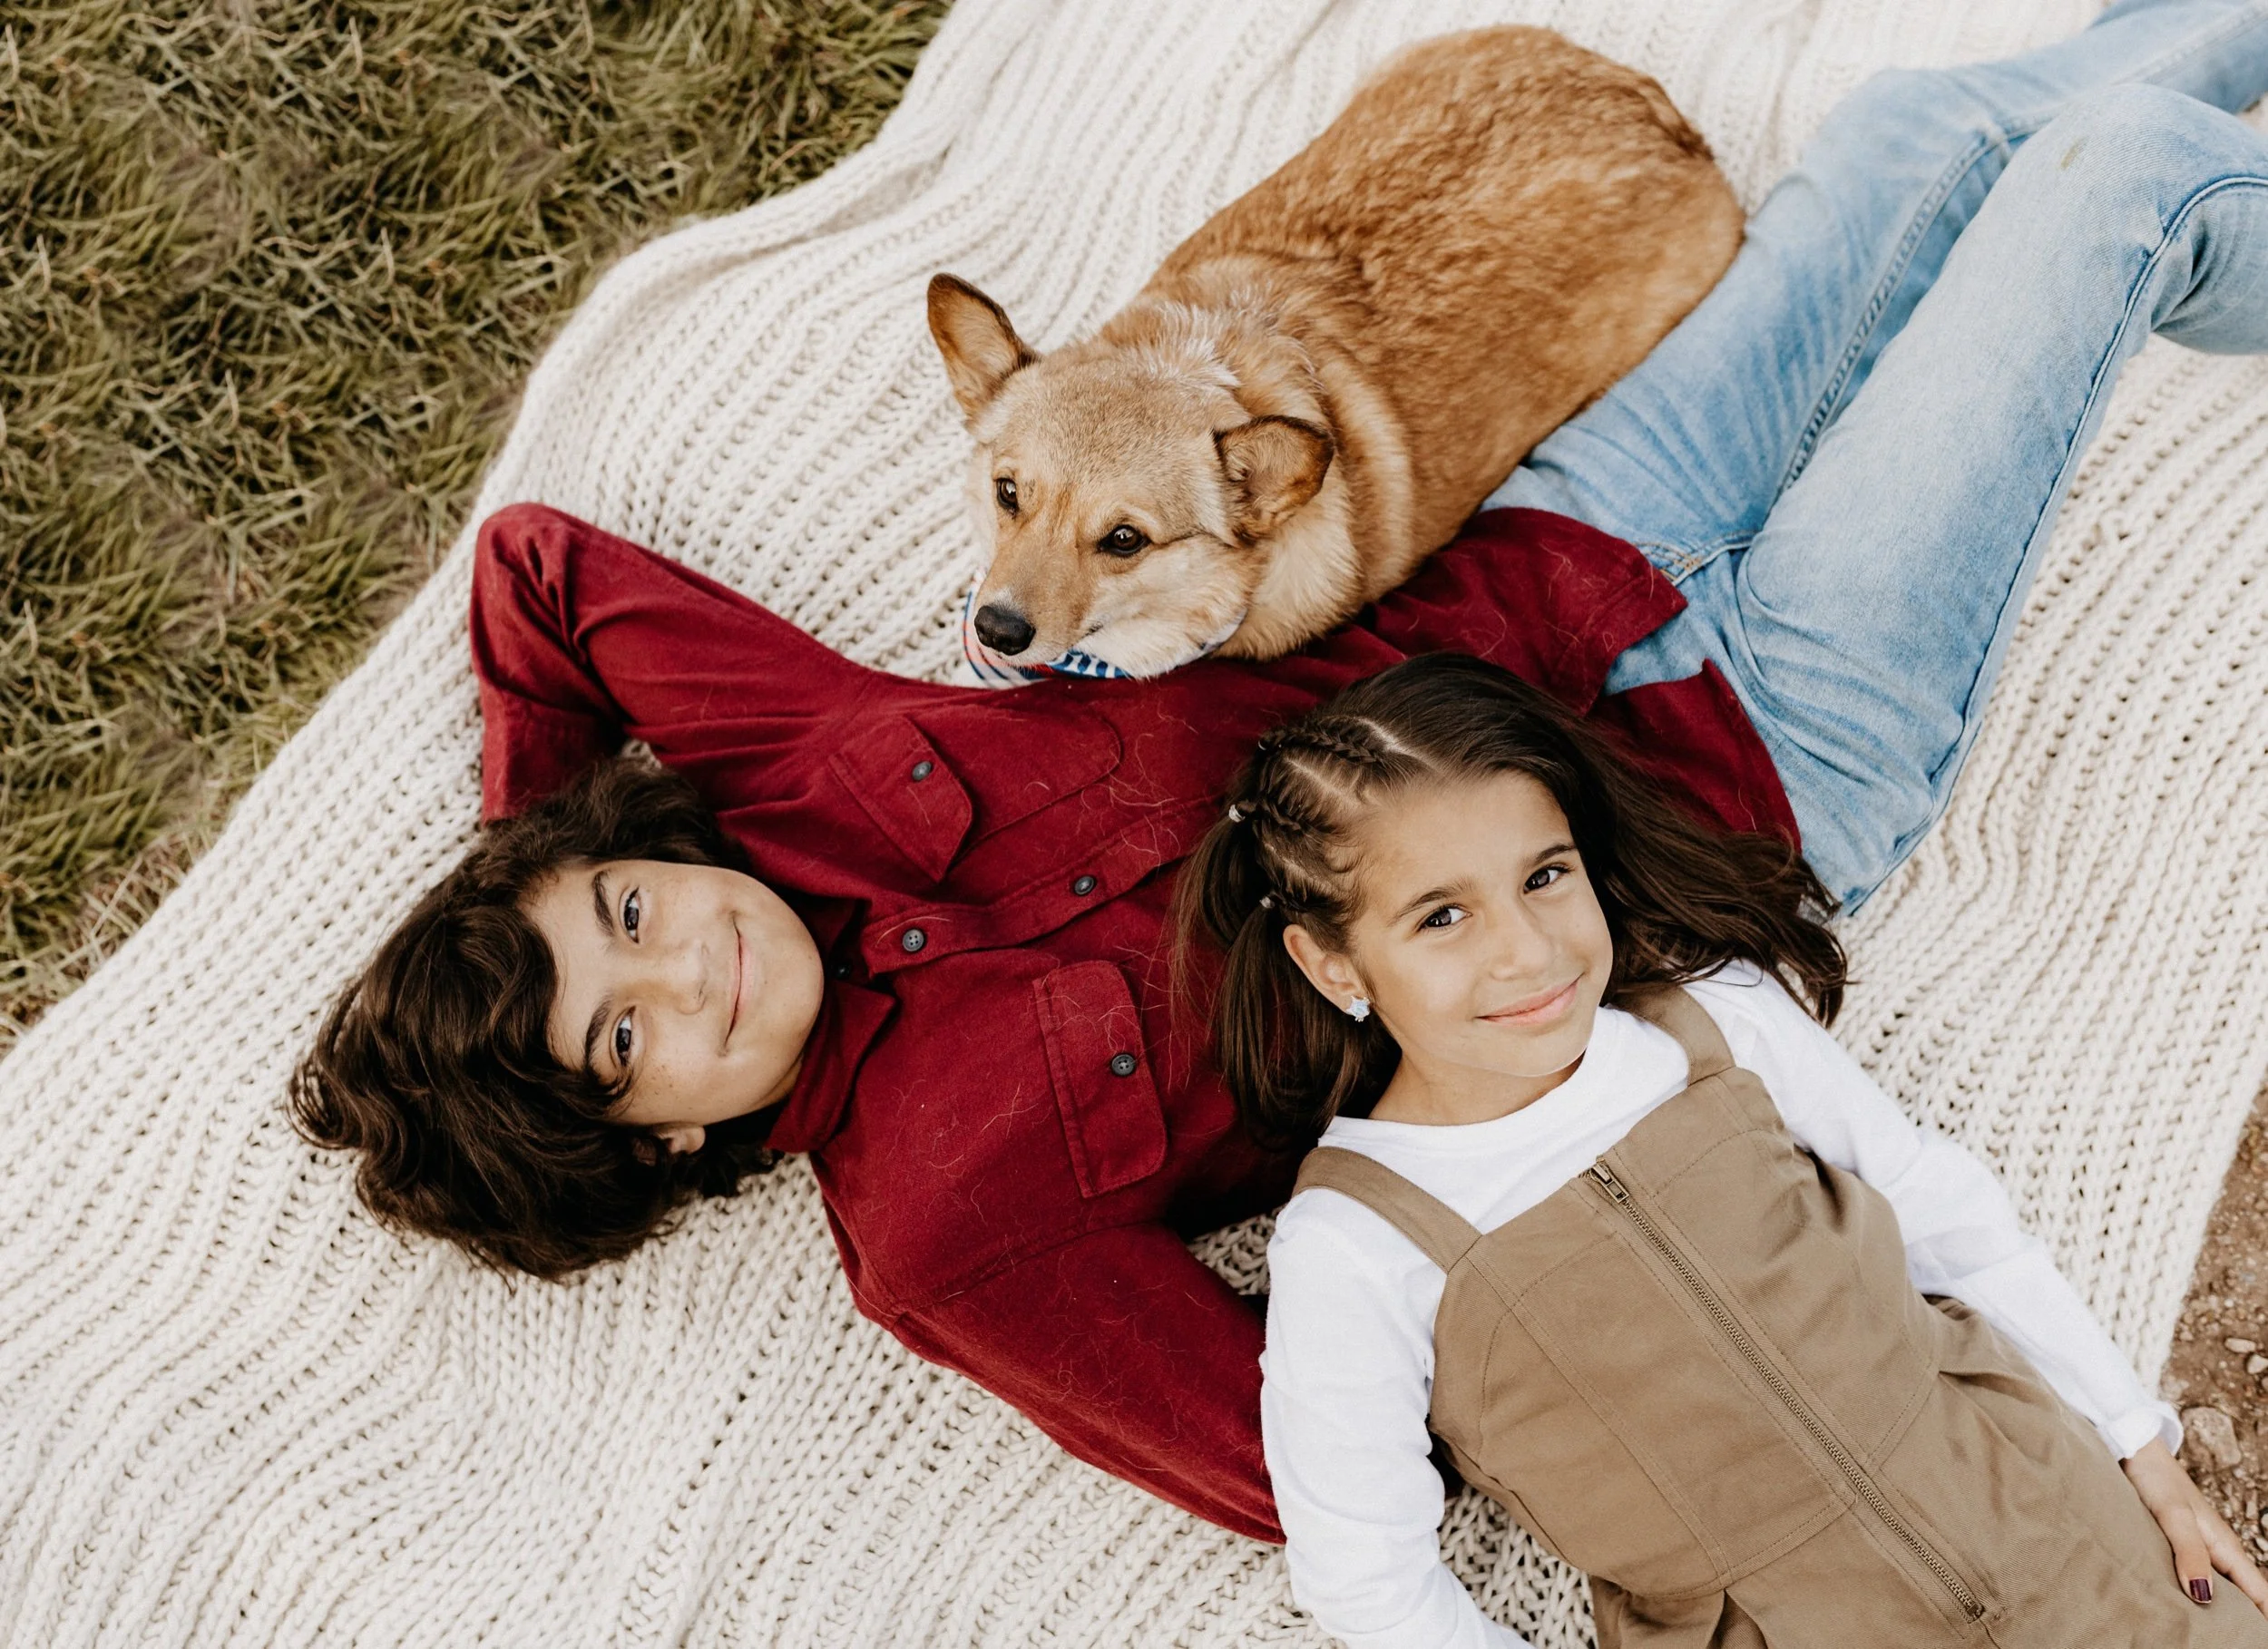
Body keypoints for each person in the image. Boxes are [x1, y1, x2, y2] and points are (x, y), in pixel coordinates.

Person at [288, 0, 2268, 1552]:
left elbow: (535, 572)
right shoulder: (944, 1237)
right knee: (2105, 191)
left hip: (1574, 526)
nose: (690, 960)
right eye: (626, 1037)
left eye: (623, 910)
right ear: (651, 1146)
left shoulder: (779, 767)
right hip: (1746, 764)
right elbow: (1314, 1474)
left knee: (1914, 138)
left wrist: (524, 836)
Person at [1183, 652, 2268, 1646]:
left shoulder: (1711, 1023)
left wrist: (2137, 1445)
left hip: (2061, 1534)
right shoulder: (1359, 1242)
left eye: (1544, 876)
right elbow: (1366, 1580)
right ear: (1332, 966)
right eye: (1439, 918)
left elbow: (1945, 1217)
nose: (1527, 951)